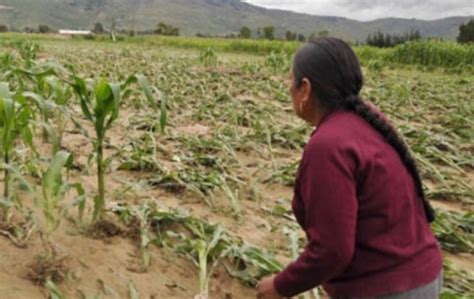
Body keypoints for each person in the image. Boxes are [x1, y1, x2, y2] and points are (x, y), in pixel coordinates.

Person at [256, 37, 443, 299]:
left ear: (306, 89)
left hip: (385, 290)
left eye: (291, 80)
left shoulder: (328, 145)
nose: (288, 88)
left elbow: (332, 251)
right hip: (423, 276)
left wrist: (280, 286)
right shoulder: (366, 119)